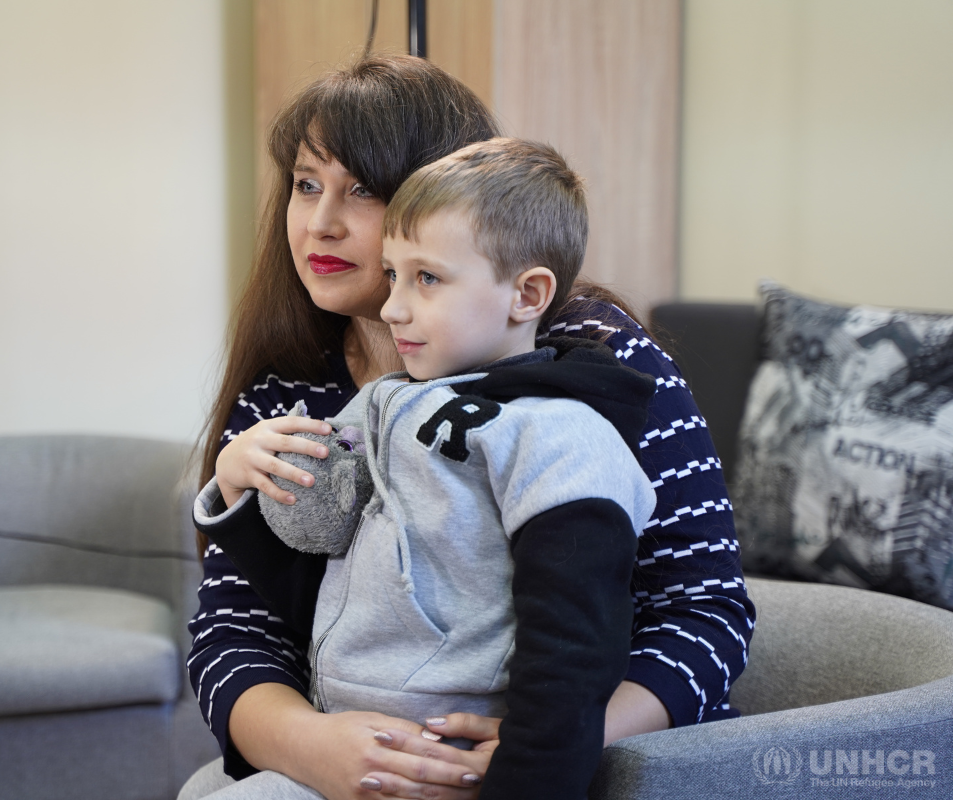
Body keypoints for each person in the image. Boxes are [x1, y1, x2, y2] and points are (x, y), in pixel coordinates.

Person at [182, 55, 754, 800]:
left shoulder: (593, 370)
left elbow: (705, 612)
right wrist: (318, 748)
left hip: (575, 753)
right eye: (306, 184)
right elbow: (236, 629)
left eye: (363, 189)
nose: (320, 222)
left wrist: (546, 740)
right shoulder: (288, 389)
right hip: (366, 739)